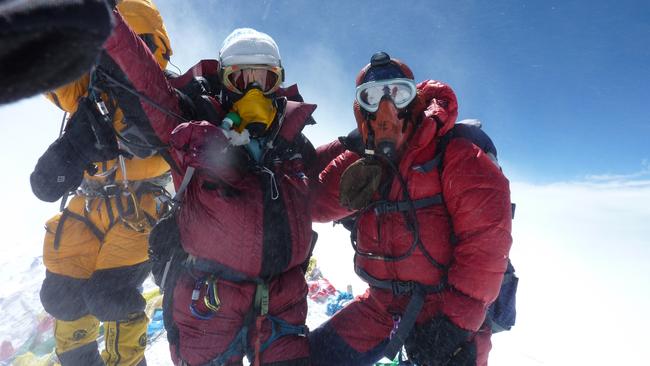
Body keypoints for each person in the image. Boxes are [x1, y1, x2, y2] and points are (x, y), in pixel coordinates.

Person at [100, 12, 345, 365]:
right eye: (241, 79)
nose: (254, 91)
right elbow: (147, 82)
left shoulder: (291, 144)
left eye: (265, 79)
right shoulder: (191, 131)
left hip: (282, 301)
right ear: (223, 83)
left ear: (279, 84)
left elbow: (320, 193)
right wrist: (109, 23)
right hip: (208, 302)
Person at [309, 52, 513, 366]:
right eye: (372, 97)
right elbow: (314, 203)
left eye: (398, 93)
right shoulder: (367, 160)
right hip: (381, 307)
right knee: (309, 358)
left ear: (414, 100)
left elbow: (486, 243)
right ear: (360, 110)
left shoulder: (456, 153)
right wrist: (342, 147)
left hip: (446, 316)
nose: (386, 108)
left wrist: (454, 326)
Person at [32, 1, 174, 365]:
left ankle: (126, 360)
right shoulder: (88, 97)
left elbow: (155, 135)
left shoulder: (162, 98)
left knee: (108, 296)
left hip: (141, 206)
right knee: (62, 294)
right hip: (96, 203)